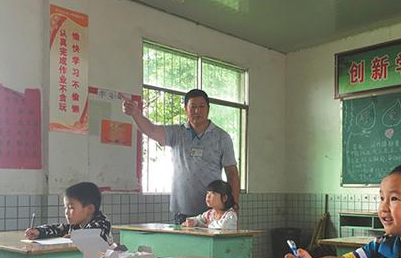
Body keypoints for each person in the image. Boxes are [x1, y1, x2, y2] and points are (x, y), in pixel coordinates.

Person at [122, 89, 240, 224]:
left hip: (212, 213)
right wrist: (135, 114)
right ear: (186, 109)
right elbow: (152, 130)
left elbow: (232, 174)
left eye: (201, 107)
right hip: (182, 212)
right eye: (193, 107)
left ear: (208, 109)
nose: (197, 111)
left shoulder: (222, 137)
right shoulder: (177, 133)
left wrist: (234, 208)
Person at [24, 182, 113, 244]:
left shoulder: (102, 222)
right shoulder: (76, 225)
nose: (66, 212)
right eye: (65, 207)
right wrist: (39, 231)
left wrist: (75, 237)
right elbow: (58, 229)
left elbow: (93, 235)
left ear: (89, 209)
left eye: (71, 207)